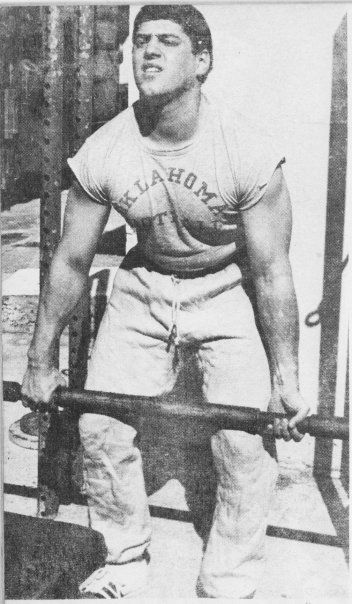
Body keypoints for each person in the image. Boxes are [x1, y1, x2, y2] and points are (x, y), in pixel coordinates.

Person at [21, 4, 310, 599]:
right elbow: (72, 262)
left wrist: (286, 377)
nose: (147, 51)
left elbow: (272, 271)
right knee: (100, 423)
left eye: (168, 42)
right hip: (143, 283)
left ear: (201, 61)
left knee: (243, 439)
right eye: (140, 41)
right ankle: (124, 558)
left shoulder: (247, 150)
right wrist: (39, 358)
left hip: (227, 287)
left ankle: (230, 576)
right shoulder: (107, 148)